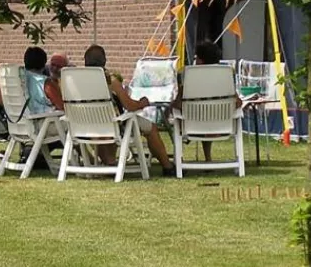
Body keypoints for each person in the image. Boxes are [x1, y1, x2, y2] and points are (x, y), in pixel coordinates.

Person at [84, 44, 176, 176]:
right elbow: (130, 106)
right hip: (112, 124)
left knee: (109, 122)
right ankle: (167, 166)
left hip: (85, 126)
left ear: (85, 61)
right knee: (151, 128)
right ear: (104, 61)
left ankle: (109, 163)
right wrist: (142, 103)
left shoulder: (76, 80)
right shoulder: (110, 80)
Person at [174, 41, 241, 162]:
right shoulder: (225, 78)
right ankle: (207, 158)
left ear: (201, 61)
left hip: (193, 127)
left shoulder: (190, 79)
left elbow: (178, 104)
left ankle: (179, 159)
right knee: (209, 113)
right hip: (222, 126)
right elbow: (238, 103)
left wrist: (172, 105)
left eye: (196, 58)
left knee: (178, 114)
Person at [23, 47, 63, 114]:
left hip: (22, 120)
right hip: (46, 121)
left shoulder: (20, 79)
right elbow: (62, 106)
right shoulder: (45, 83)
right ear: (44, 64)